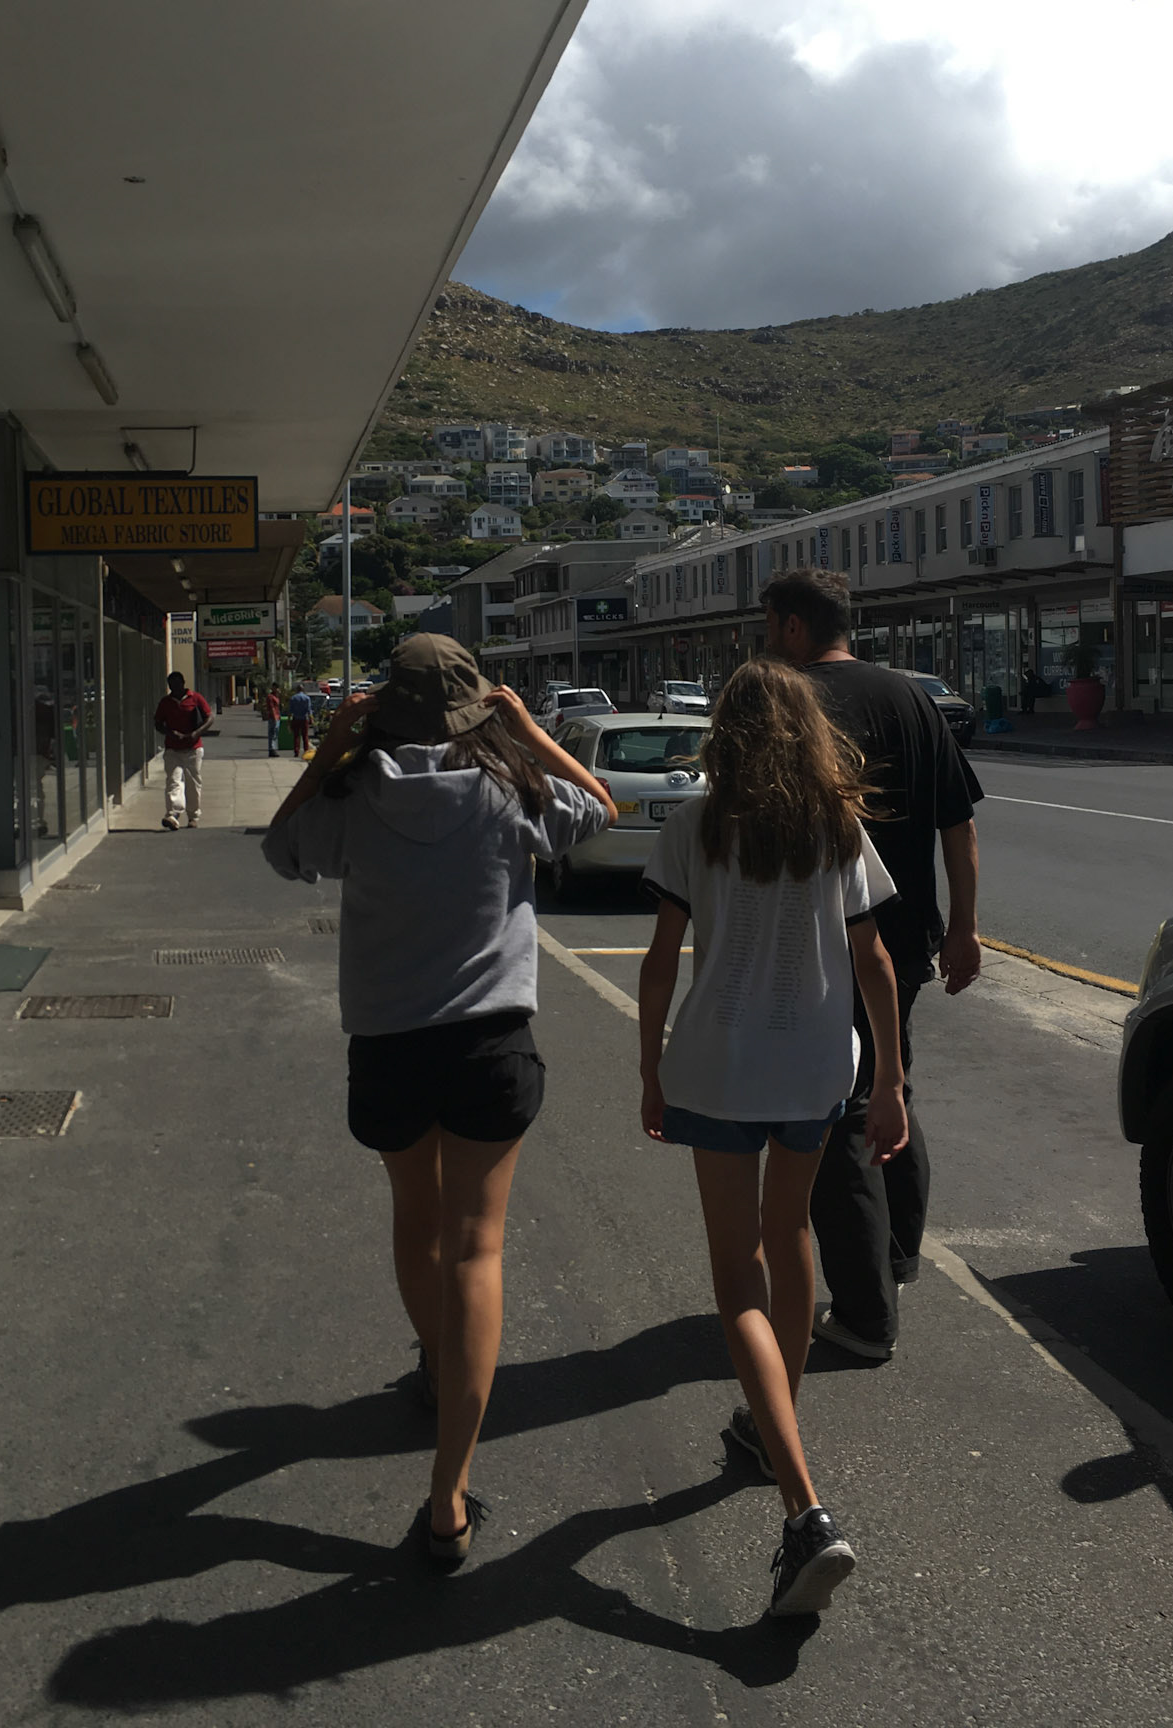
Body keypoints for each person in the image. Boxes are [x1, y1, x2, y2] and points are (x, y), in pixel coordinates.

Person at [261, 635, 616, 1565]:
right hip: (489, 1044)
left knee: (416, 1221)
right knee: (477, 1246)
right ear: (478, 709)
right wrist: (531, 733)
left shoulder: (355, 794)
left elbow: (282, 848)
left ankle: (439, 1358)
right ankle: (448, 1495)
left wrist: (332, 749)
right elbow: (601, 806)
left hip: (389, 1044)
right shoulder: (511, 790)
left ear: (384, 710)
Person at [638, 658, 904, 1618]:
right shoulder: (838, 828)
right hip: (815, 1070)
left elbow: (661, 962)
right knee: (791, 1236)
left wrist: (648, 1067)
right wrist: (891, 1081)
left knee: (736, 1274)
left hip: (718, 1068)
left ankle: (805, 1511)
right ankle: (771, 1422)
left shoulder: (694, 827)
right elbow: (874, 960)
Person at [762, 569, 982, 1360]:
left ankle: (863, 1314)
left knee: (841, 1114)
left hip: (825, 944)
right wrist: (964, 928)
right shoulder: (911, 697)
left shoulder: (790, 704)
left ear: (794, 626)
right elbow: (958, 824)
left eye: (770, 626)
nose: (767, 640)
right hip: (908, 936)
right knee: (891, 1084)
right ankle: (896, 1256)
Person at [153, 672, 215, 831]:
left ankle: (193, 816)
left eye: (177, 683)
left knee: (193, 783)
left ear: (183, 683)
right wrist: (169, 732)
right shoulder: (165, 702)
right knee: (173, 781)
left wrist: (196, 733)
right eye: (171, 684)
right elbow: (158, 723)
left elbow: (210, 718)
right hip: (172, 748)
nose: (174, 687)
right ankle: (172, 814)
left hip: (193, 748)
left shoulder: (195, 698)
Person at [286, 679, 315, 759]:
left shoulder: (293, 698)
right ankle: (306, 751)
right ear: (303, 690)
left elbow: (290, 710)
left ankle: (296, 751)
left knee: (296, 736)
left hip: (296, 718)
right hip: (304, 719)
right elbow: (309, 710)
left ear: (297, 690)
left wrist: (289, 720)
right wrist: (311, 718)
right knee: (305, 736)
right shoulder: (307, 698)